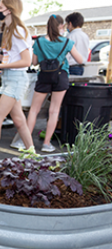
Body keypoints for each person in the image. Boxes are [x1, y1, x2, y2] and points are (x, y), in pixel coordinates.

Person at [0, 0, 35, 163]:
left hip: (16, 79)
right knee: (19, 120)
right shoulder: (11, 29)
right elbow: (13, 57)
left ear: (9, 11)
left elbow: (26, 61)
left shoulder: (18, 30)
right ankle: (34, 157)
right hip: (11, 78)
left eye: (0, 8)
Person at [26, 14, 84, 153]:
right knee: (54, 111)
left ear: (48, 26)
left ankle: (27, 143)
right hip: (60, 76)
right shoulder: (66, 42)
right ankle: (46, 144)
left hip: (44, 77)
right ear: (61, 26)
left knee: (34, 110)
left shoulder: (39, 42)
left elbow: (33, 62)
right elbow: (80, 60)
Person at [65, 12, 89, 76]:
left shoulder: (70, 36)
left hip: (71, 66)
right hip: (82, 66)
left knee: (70, 85)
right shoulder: (85, 36)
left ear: (70, 24)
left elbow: (66, 54)